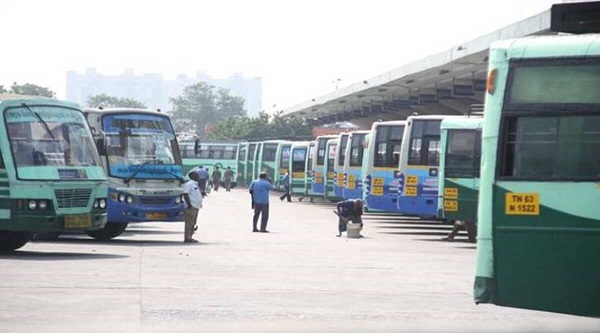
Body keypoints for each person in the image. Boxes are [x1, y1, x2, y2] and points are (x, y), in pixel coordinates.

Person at [183, 171, 203, 243]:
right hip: (191, 207)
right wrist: (189, 205)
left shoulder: (195, 184)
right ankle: (187, 238)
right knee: (189, 223)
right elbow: (185, 195)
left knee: (193, 223)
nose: (198, 176)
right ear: (192, 176)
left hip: (196, 206)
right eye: (197, 175)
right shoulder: (189, 184)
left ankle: (190, 237)